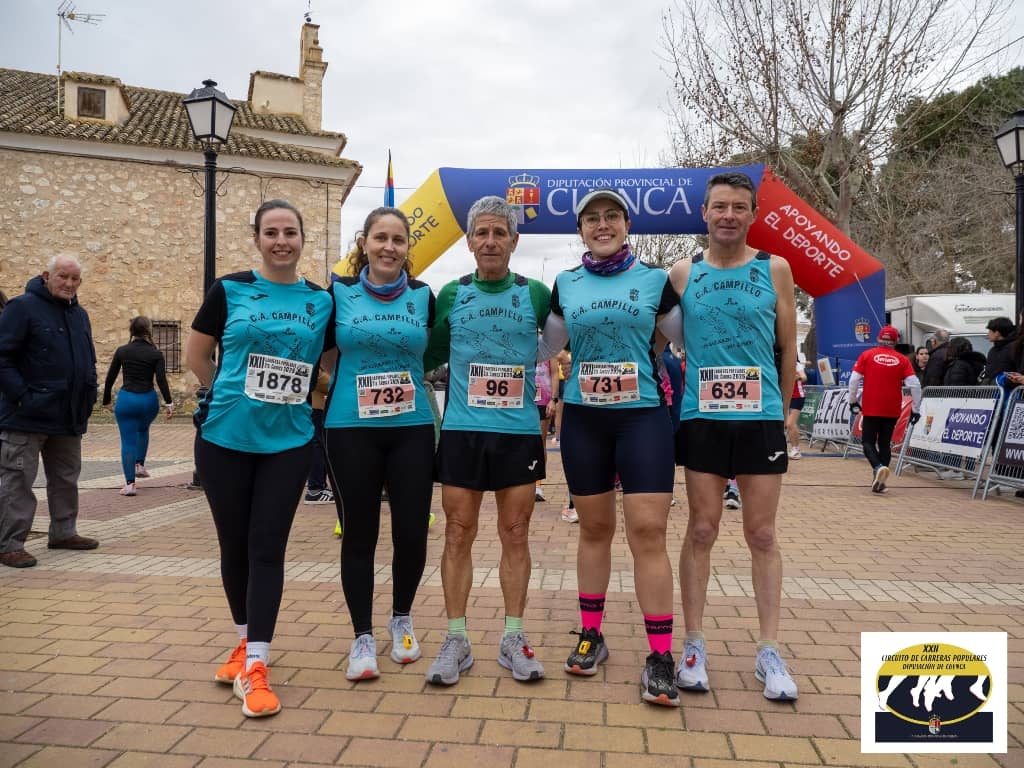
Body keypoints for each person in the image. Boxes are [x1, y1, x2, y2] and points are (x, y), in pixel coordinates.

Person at [185, 199, 333, 718]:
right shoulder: (229, 289)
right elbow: (196, 355)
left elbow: (327, 367)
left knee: (267, 548)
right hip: (224, 438)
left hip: (288, 442)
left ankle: (257, 665)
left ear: (302, 239)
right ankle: (244, 641)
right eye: (271, 232)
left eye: (290, 232)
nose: (281, 241)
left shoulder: (321, 301)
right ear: (257, 239)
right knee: (234, 546)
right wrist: (225, 394)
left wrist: (306, 387)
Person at [540, 188, 680, 707]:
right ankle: (591, 635)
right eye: (592, 219)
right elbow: (546, 346)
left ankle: (660, 656)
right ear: (580, 230)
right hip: (585, 421)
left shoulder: (654, 280)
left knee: (648, 531)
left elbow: (688, 337)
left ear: (626, 225)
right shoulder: (566, 284)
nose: (602, 225)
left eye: (612, 216)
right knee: (595, 529)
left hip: (642, 417)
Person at [667, 171, 800, 701]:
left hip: (759, 417)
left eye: (738, 207)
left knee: (761, 534)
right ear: (704, 213)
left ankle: (769, 649)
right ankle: (693, 644)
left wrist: (784, 411)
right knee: (702, 529)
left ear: (752, 214)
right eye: (719, 206)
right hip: (702, 417)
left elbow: (788, 348)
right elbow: (656, 336)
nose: (728, 215)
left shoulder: (775, 268)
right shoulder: (682, 272)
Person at [422, 195, 551, 687]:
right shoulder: (451, 294)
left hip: (517, 433)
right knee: (458, 532)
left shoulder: (536, 293)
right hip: (463, 432)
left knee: (515, 533)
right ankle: (456, 638)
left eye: (500, 233)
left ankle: (513, 636)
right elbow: (425, 354)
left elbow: (561, 342)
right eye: (482, 233)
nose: (491, 241)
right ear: (470, 241)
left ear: (514, 241)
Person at [321, 207, 436, 682]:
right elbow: (324, 356)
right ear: (364, 243)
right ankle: (362, 636)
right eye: (380, 238)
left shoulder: (424, 296)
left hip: (411, 429)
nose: (389, 247)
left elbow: (434, 352)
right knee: (359, 533)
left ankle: (401, 619)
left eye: (398, 240)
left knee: (411, 531)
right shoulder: (338, 294)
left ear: (408, 248)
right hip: (351, 429)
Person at [0, 256, 99, 569]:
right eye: (62, 276)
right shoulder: (22, 307)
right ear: (46, 276)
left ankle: (63, 532)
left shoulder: (80, 315)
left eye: (75, 279)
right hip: (26, 416)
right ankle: (10, 544)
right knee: (18, 481)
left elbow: (88, 360)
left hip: (68, 415)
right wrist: (22, 397)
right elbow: (3, 358)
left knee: (66, 478)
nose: (69, 284)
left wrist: (89, 394)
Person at [102, 316, 175, 496]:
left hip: (127, 400)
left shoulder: (122, 351)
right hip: (149, 401)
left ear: (131, 331)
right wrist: (169, 403)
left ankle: (130, 485)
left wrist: (106, 400)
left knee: (128, 441)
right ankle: (139, 465)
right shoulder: (156, 353)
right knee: (143, 429)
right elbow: (161, 380)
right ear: (148, 330)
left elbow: (110, 377)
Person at [848, 325, 922, 493]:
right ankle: (880, 482)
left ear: (878, 339)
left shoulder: (867, 355)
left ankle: (878, 467)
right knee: (884, 443)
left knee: (868, 442)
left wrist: (853, 401)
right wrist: (915, 409)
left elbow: (853, 380)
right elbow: (915, 385)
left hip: (871, 405)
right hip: (892, 407)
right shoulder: (903, 359)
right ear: (896, 342)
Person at [304, 364, 333, 504]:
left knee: (318, 445)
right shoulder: (315, 359)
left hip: (317, 406)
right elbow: (320, 379)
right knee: (318, 446)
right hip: (317, 407)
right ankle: (315, 489)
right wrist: (338, 383)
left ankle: (317, 487)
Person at [533, 349, 558, 502]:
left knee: (539, 442)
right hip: (523, 400)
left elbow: (555, 373)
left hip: (543, 401)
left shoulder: (548, 346)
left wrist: (553, 399)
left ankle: (537, 485)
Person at [982, 317, 1015, 384]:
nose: (988, 334)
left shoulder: (1013, 349)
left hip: (1008, 388)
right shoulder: (992, 350)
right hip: (992, 389)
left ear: (997, 333)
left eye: (990, 331)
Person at [786, 360, 807, 459]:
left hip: (797, 397)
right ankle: (793, 448)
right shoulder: (779, 363)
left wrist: (797, 377)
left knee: (790, 424)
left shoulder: (796, 364)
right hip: (786, 397)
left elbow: (804, 377)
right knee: (787, 425)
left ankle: (796, 450)